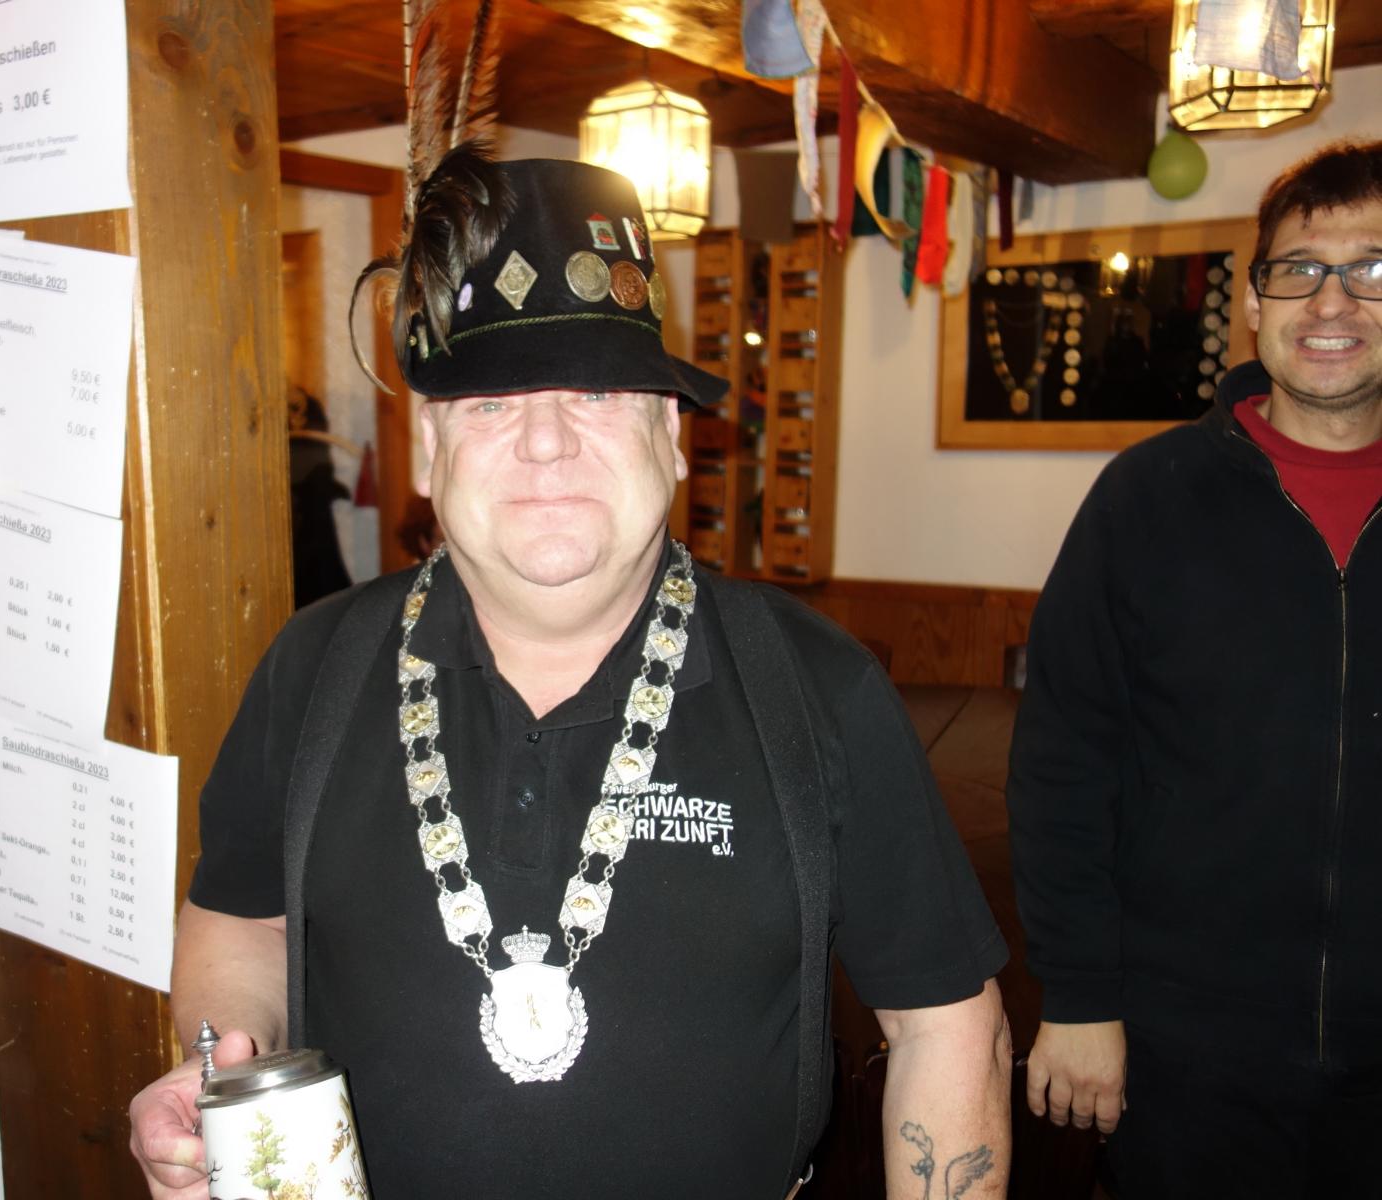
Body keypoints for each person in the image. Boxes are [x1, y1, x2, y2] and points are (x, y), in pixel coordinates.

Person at [130, 149, 1011, 1200]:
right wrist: (224, 1074)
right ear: (429, 448)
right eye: (490, 403)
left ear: (670, 434)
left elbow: (948, 1027)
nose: (545, 441)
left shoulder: (823, 686)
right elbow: (242, 919)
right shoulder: (309, 668)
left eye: (596, 389)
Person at [1010, 139, 1382, 1198]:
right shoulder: (1145, 499)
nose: (1333, 301)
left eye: (1374, 268)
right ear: (1255, 301)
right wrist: (1080, 997)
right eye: (1300, 268)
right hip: (1185, 1056)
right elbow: (1063, 765)